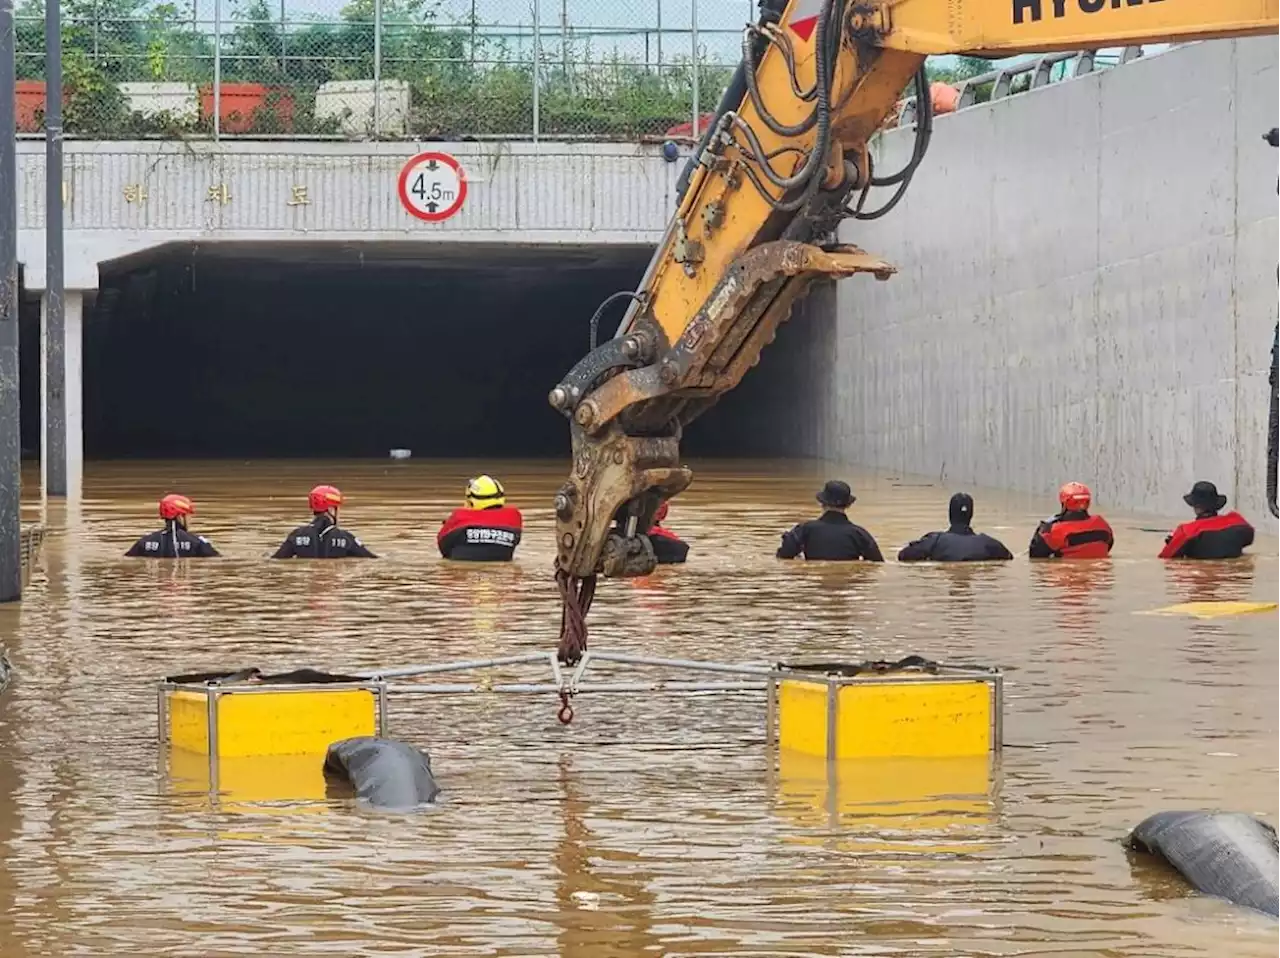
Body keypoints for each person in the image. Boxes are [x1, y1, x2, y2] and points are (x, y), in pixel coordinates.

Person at [776, 480, 884, 562]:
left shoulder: (805, 529)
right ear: (848, 505)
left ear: (822, 503)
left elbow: (784, 555)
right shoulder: (859, 534)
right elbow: (877, 563)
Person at [897, 493, 1013, 562]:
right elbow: (1009, 558)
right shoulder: (989, 544)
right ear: (971, 515)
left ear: (950, 514)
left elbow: (903, 556)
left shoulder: (935, 540)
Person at [272, 485, 377, 559]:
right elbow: (371, 558)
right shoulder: (346, 538)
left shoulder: (296, 536)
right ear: (331, 509)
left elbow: (277, 559)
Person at [1158, 481, 1254, 560]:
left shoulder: (1186, 531)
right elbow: (1248, 539)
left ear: (1196, 507)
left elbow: (1165, 557)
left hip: (1202, 576)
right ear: (1216, 505)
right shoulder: (1237, 521)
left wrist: (1172, 542)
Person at [437, 475, 523, 561]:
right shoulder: (514, 517)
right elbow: (516, 542)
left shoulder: (459, 516)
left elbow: (443, 546)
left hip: (462, 568)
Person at [1029, 481, 1114, 559]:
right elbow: (1108, 546)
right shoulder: (1102, 525)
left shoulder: (1052, 531)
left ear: (1064, 502)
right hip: (1099, 573)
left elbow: (1035, 556)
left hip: (1067, 573)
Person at [125, 493, 220, 558]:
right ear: (180, 516)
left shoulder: (144, 542)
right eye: (188, 515)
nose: (190, 519)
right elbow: (216, 560)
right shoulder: (197, 542)